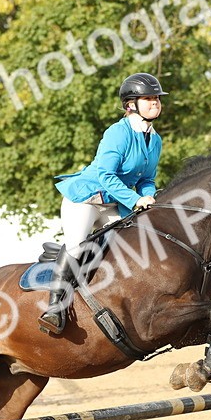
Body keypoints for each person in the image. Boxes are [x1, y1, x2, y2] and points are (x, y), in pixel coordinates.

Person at [38, 72, 168, 334]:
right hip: (86, 198)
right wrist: (135, 200)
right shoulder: (117, 133)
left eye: (156, 97)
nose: (155, 102)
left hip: (113, 203)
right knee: (77, 247)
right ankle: (54, 307)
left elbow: (146, 179)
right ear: (131, 104)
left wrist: (150, 197)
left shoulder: (155, 140)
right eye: (148, 98)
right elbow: (106, 176)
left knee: (133, 241)